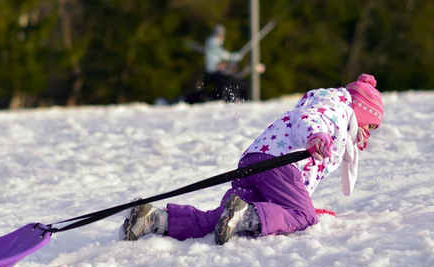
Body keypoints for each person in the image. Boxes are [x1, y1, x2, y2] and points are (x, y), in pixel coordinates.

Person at [121, 74, 384, 244]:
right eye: (370, 126)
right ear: (362, 111)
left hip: (256, 161)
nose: (366, 135)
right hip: (280, 164)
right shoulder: (337, 107)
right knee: (304, 217)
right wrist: (315, 136)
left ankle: (156, 219)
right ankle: (249, 215)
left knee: (222, 218)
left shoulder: (339, 115)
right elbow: (311, 118)